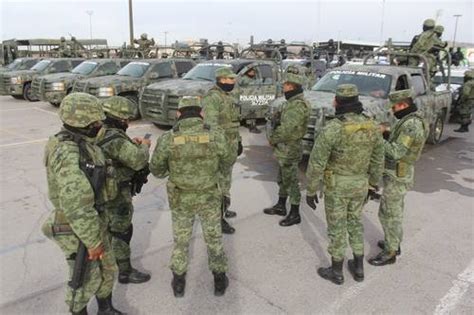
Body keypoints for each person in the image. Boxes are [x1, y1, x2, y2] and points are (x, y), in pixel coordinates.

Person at [41, 93, 123, 315]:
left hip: (94, 219)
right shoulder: (66, 151)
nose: (99, 125)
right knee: (84, 279)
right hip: (77, 226)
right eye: (96, 122)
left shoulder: (81, 141)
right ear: (83, 122)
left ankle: (106, 309)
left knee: (107, 269)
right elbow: (76, 203)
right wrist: (93, 240)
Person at [150, 96, 234, 297]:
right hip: (209, 197)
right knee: (213, 238)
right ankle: (219, 280)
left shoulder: (168, 138)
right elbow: (228, 160)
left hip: (181, 198)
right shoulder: (215, 134)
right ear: (201, 113)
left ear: (179, 114)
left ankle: (178, 281)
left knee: (181, 240)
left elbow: (156, 170)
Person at [305, 84, 384, 285]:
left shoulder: (333, 128)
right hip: (360, 185)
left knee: (337, 227)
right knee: (355, 222)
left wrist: (312, 188)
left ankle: (336, 270)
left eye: (335, 99)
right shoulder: (372, 126)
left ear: (338, 102)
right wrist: (373, 184)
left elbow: (317, 162)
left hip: (337, 186)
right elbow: (377, 159)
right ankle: (358, 267)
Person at [369, 89, 428, 266]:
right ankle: (393, 242)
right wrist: (387, 132)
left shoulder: (411, 125)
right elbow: (398, 141)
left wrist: (378, 137)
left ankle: (390, 252)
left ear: (403, 105)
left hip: (397, 175)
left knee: (389, 213)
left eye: (394, 107)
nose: (393, 111)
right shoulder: (409, 119)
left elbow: (395, 152)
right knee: (394, 211)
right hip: (397, 173)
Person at [97, 96, 152, 284]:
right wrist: (144, 147)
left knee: (108, 230)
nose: (128, 122)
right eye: (126, 119)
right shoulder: (114, 136)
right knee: (121, 231)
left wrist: (132, 145)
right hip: (116, 193)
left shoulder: (100, 131)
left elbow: (118, 154)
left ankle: (109, 264)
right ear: (119, 118)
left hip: (102, 191)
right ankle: (125, 271)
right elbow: (137, 160)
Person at [263, 66, 310, 227]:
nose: (283, 87)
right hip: (284, 148)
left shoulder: (296, 105)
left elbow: (287, 130)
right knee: (283, 179)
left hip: (289, 147)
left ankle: (295, 213)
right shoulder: (291, 103)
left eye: (285, 85)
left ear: (291, 86)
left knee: (291, 181)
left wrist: (273, 139)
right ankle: (281, 205)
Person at [202, 67, 241, 234]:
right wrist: (221, 148)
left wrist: (238, 141)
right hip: (221, 147)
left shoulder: (227, 96)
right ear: (222, 80)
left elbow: (234, 122)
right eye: (231, 79)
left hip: (230, 145)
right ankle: (217, 218)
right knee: (219, 183)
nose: (234, 82)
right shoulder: (213, 97)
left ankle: (224, 209)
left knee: (226, 181)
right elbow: (211, 125)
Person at [239, 68, 262, 134]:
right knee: (251, 112)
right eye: (252, 72)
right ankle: (252, 126)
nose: (253, 73)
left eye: (254, 72)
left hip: (250, 96)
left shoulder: (251, 78)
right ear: (248, 72)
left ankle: (250, 124)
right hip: (246, 97)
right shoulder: (244, 78)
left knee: (251, 111)